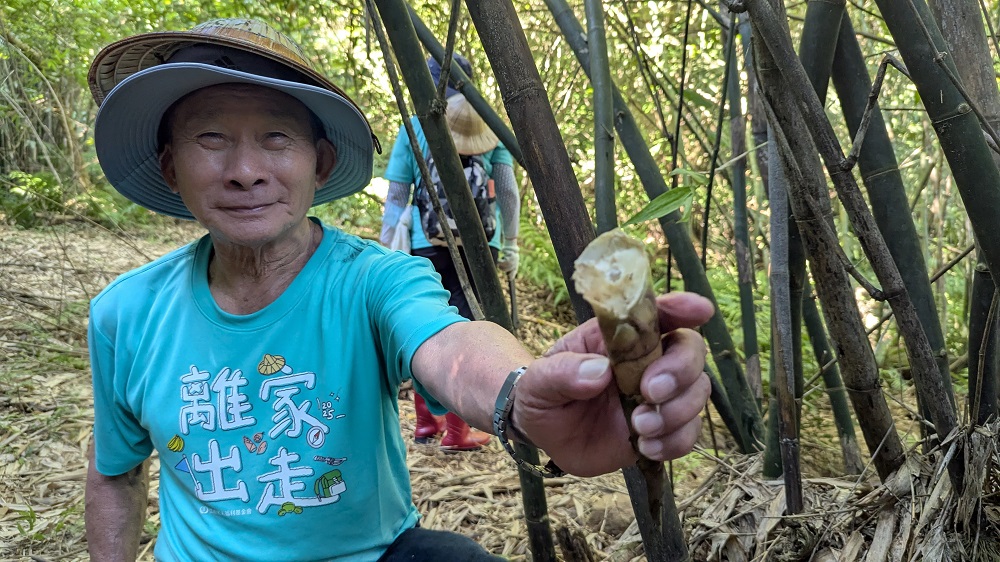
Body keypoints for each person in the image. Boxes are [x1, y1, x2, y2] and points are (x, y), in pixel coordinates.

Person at [84, 18, 714, 562]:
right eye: (211, 139)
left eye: (276, 138)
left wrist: (523, 398)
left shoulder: (373, 279)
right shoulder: (126, 313)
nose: (246, 171)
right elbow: (115, 474)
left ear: (320, 164)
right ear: (171, 166)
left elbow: (450, 346)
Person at [380, 53, 520, 451]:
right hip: (481, 246)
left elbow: (396, 194)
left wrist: (389, 242)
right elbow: (507, 191)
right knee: (470, 326)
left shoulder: (413, 127)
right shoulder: (486, 124)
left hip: (427, 244)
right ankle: (459, 431)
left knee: (426, 328)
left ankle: (426, 424)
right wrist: (511, 243)